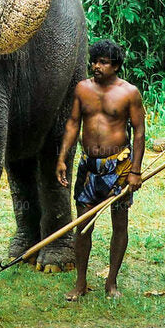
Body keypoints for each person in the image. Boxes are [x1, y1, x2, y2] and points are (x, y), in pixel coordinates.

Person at [56, 40, 146, 300]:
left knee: (119, 223)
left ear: (116, 66)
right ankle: (80, 283)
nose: (97, 66)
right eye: (95, 61)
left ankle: (111, 283)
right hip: (89, 167)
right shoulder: (83, 89)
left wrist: (136, 171)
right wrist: (62, 158)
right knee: (82, 224)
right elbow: (73, 123)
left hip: (118, 165)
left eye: (104, 62)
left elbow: (139, 132)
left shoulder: (129, 93)